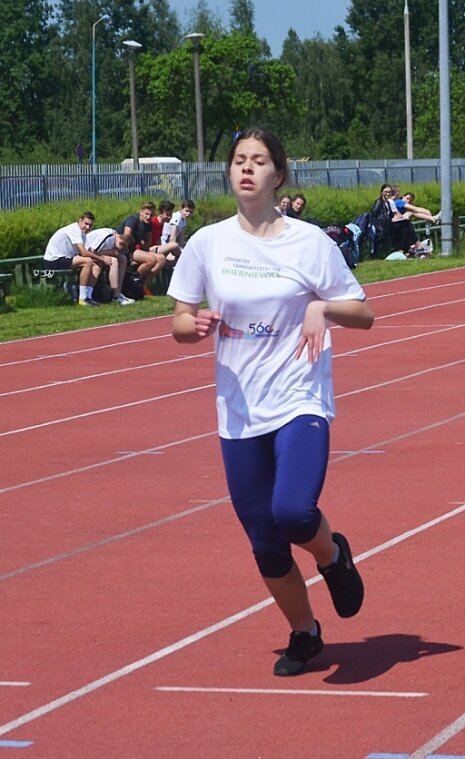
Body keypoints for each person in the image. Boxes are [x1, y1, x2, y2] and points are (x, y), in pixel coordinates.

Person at [168, 127, 374, 677]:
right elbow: (179, 321)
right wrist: (195, 324)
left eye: (259, 161)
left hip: (298, 397)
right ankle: (305, 634)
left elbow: (363, 311)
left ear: (278, 174)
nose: (247, 169)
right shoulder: (208, 243)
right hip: (238, 409)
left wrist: (323, 310)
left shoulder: (309, 242)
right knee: (265, 540)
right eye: (239, 160)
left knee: (293, 511)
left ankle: (333, 556)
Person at [43, 211, 106, 307]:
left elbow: (86, 252)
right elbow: (84, 253)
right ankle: (82, 298)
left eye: (90, 225)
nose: (88, 227)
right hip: (53, 260)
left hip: (65, 258)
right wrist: (102, 259)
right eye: (86, 224)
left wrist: (100, 260)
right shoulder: (75, 229)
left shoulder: (83, 234)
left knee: (96, 266)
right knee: (88, 262)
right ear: (80, 221)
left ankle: (89, 297)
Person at [118, 202, 164, 295]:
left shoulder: (148, 224)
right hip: (124, 249)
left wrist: (146, 250)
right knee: (151, 260)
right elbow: (126, 239)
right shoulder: (133, 220)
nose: (148, 217)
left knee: (161, 259)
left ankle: (142, 286)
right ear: (141, 212)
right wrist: (131, 258)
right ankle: (132, 281)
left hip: (134, 249)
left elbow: (148, 241)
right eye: (146, 214)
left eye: (151, 215)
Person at [85, 227, 136, 304]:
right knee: (113, 261)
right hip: (86, 253)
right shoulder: (108, 237)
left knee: (123, 258)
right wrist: (109, 253)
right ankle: (115, 296)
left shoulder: (115, 239)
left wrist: (111, 252)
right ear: (121, 243)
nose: (120, 251)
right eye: (122, 249)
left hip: (97, 253)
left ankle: (118, 292)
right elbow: (91, 251)